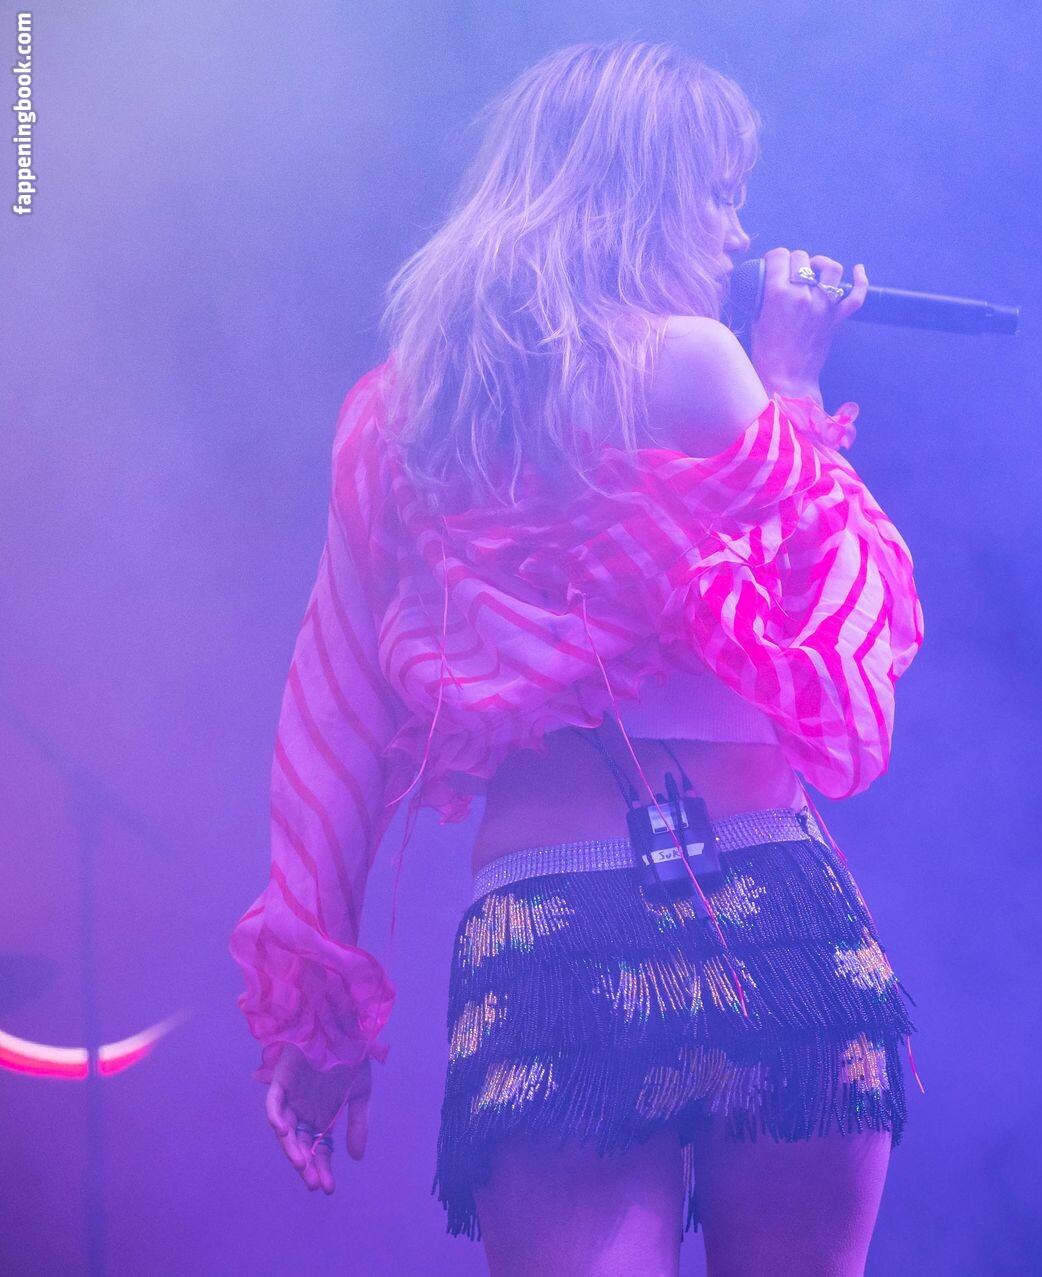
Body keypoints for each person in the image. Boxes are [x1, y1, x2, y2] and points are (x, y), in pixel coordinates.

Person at [227, 40, 924, 1276]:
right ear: (641, 196)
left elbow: (332, 713)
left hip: (553, 937)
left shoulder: (397, 415)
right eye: (718, 195)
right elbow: (824, 619)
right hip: (771, 908)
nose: (737, 232)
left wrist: (318, 1010)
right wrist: (791, 378)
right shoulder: (697, 362)